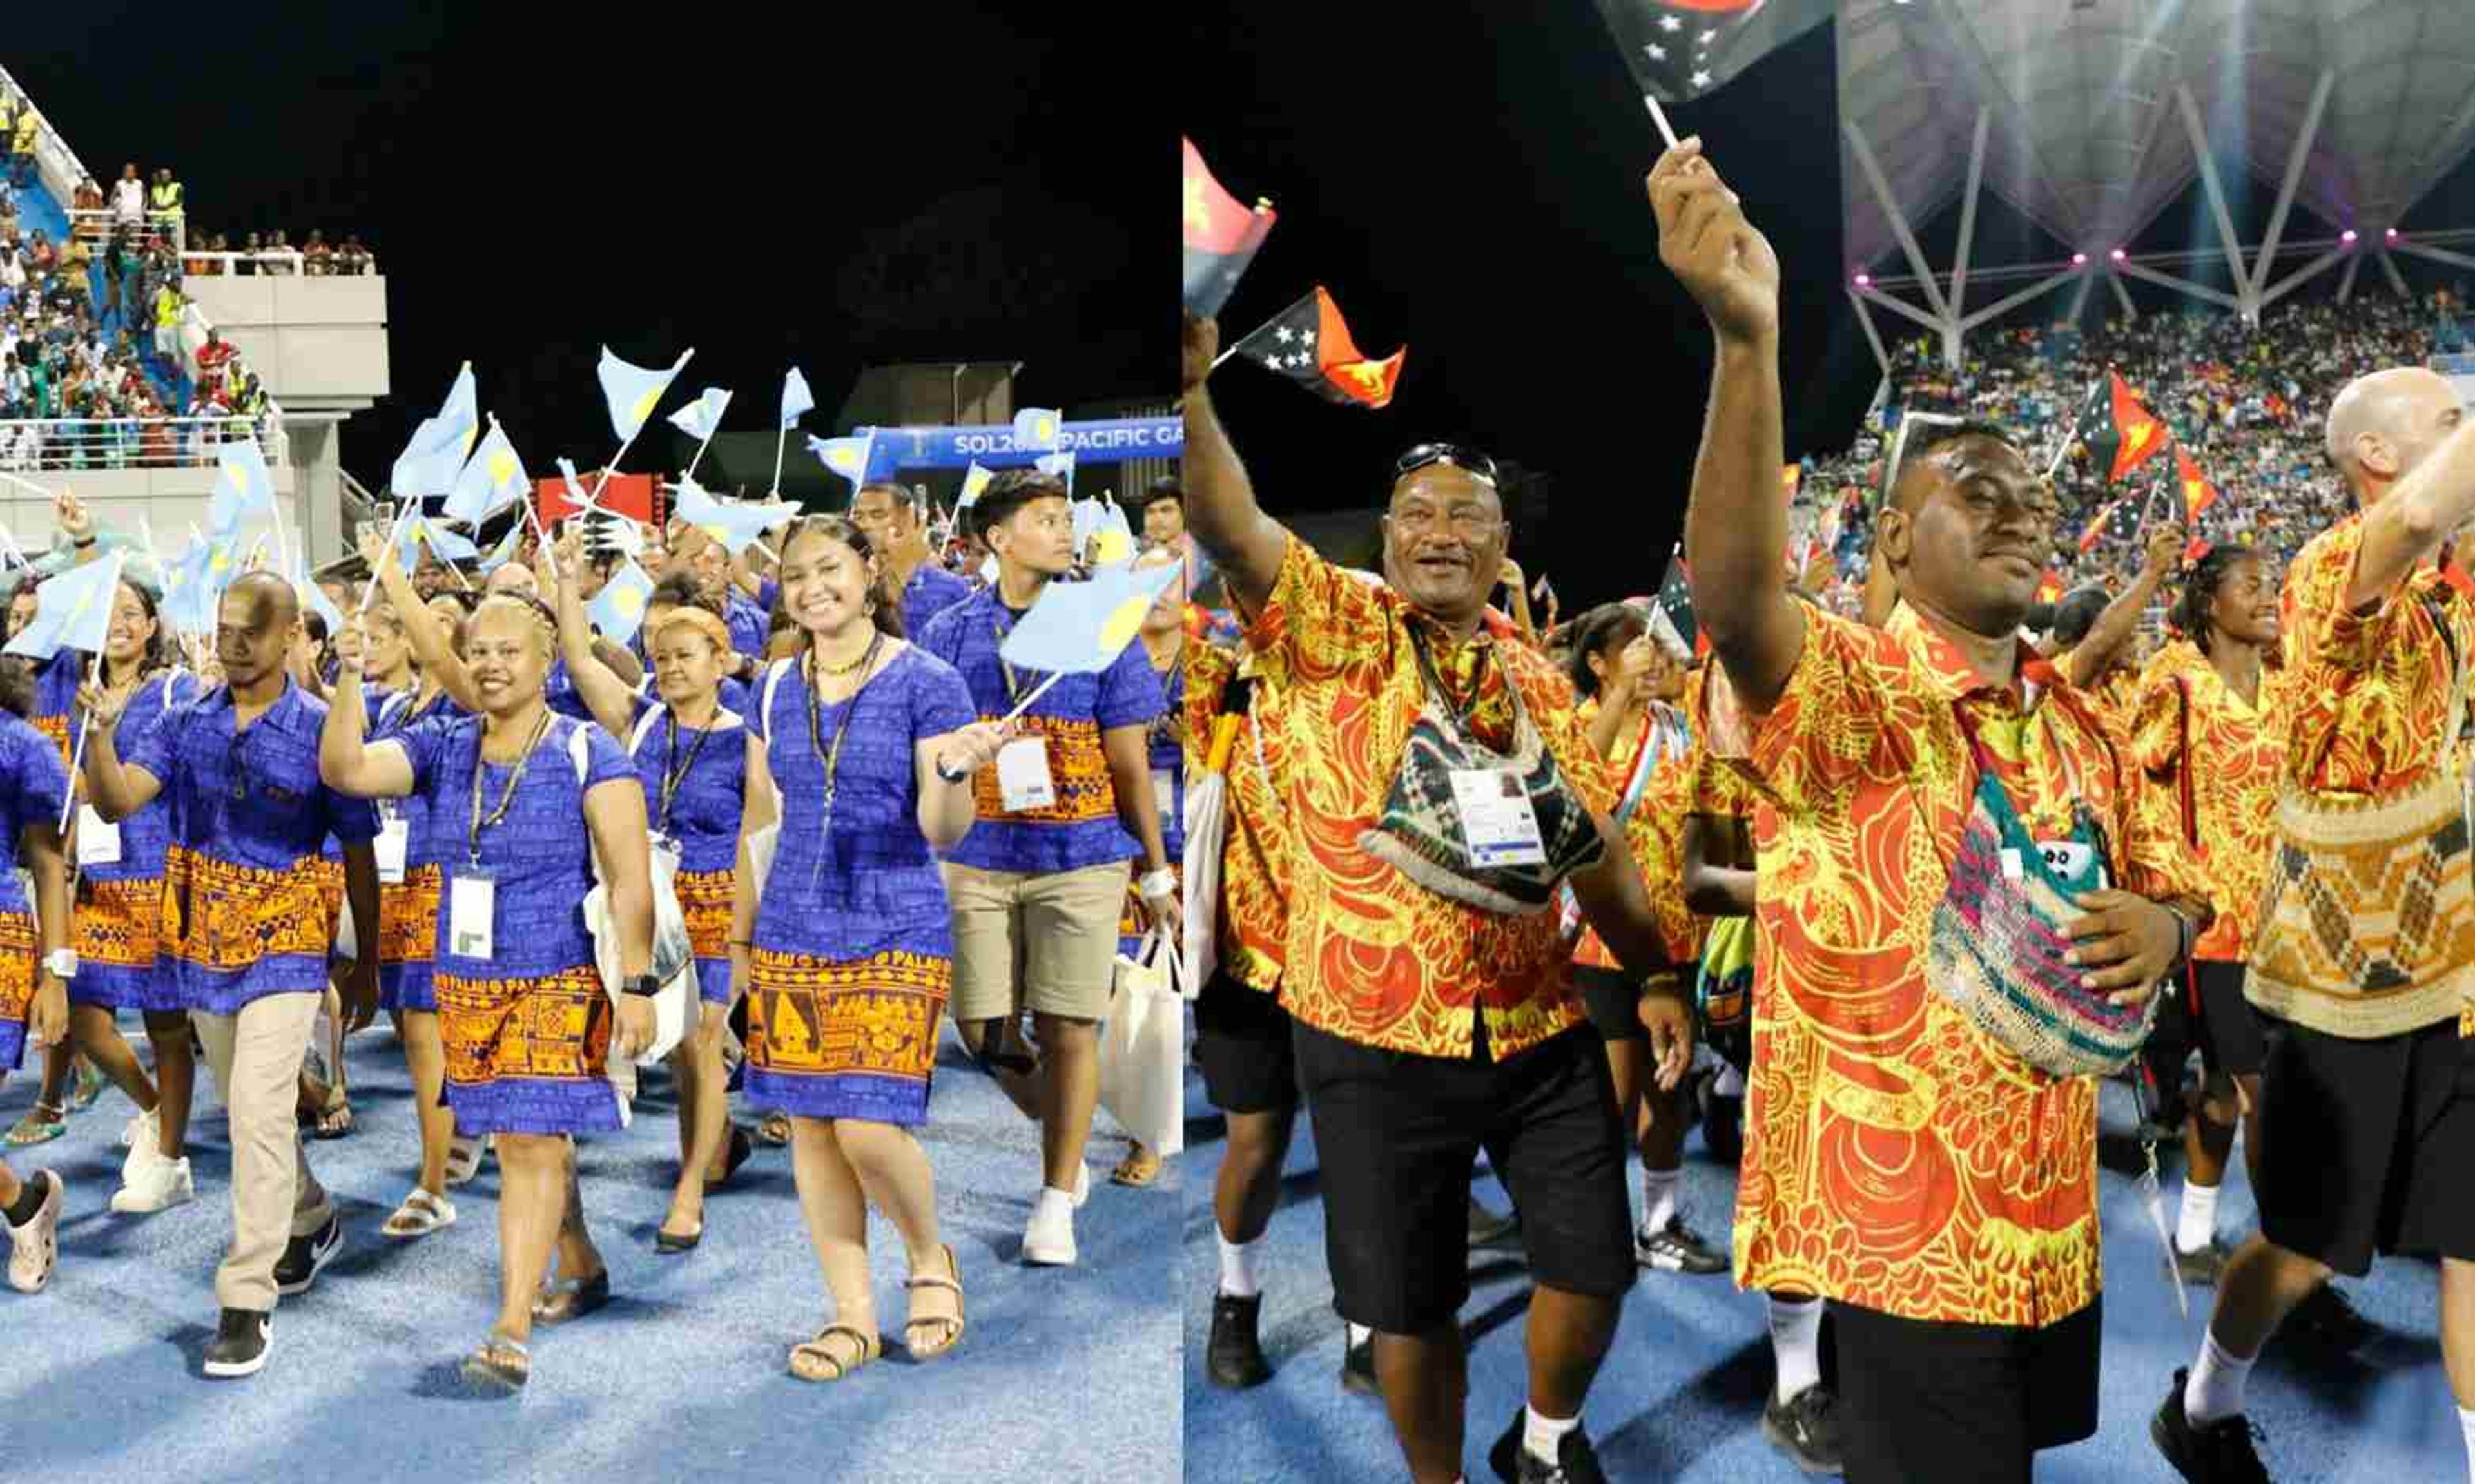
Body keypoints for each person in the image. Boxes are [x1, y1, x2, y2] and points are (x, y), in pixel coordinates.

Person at [1651, 137, 2210, 1482]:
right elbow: (1737, 597)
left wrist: (2171, 927)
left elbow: (2175, 880)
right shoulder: (1856, 691)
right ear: (1895, 543)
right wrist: (1747, 341)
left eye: (2033, 497)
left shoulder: (2076, 720)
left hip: (2051, 1214)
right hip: (1903, 1222)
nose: (2021, 513)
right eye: (1977, 494)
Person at [1183, 311, 1692, 1484]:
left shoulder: (1536, 677)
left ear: (1503, 540)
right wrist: (1195, 400)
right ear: (1387, 533)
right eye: (1418, 513)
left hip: (1539, 1024)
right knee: (1409, 1309)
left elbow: (1595, 847)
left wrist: (1657, 968)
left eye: (1468, 515)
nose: (1441, 532)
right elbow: (1232, 524)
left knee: (1595, 1266)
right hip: (1370, 1034)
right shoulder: (1332, 626)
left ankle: (1547, 1441)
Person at [2152, 366, 2475, 1482]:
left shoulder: (2452, 593)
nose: (2466, 427)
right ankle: (2203, 1402)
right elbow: (2421, 514)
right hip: (2348, 973)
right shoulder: (2330, 567)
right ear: (2378, 456)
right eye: (2453, 418)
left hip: (2456, 966)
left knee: (2474, 1237)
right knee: (2304, 1241)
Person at [317, 582, 658, 1392]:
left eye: (510, 650)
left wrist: (639, 981)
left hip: (559, 970)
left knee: (530, 1141)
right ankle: (579, 1258)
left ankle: (510, 1324)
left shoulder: (587, 748)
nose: (491, 663)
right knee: (523, 1132)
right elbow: (347, 767)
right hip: (467, 979)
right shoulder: (442, 744)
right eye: (479, 651)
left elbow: (629, 877)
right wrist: (348, 679)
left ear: (547, 660)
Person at [81, 571, 384, 1379]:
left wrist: (368, 960)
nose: (235, 643)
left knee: (255, 1105)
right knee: (256, 1113)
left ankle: (246, 1296)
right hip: (203, 945)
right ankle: (311, 1214)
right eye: (225, 628)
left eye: (253, 629)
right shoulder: (185, 720)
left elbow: (359, 849)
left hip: (290, 941)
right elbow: (116, 802)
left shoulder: (322, 728)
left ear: (290, 636)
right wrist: (102, 737)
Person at [728, 514, 1004, 1380]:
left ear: (869, 570)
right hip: (791, 929)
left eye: (830, 568)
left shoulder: (929, 681)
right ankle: (851, 1313)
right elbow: (760, 821)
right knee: (813, 1126)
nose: (813, 587)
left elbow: (942, 830)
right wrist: (739, 939)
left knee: (866, 1124)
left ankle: (928, 1256)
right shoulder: (774, 685)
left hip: (895, 922)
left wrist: (955, 773)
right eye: (796, 574)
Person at [914, 468, 1177, 1267]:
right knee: (983, 1029)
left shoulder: (1103, 627)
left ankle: (1056, 1194)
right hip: (977, 854)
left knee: (1068, 1026)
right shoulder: (948, 633)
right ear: (997, 538)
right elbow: (930, 752)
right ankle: (1066, 1120)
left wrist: (1157, 872)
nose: (1065, 531)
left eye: (1067, 518)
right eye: (1046, 518)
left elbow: (1128, 762)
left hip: (1082, 853)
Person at [545, 536, 753, 1248]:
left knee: (700, 1045)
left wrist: (746, 939)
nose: (669, 668)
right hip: (646, 903)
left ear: (720, 661)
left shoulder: (746, 740)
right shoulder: (639, 718)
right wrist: (567, 582)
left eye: (685, 656)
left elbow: (761, 845)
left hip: (716, 905)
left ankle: (688, 1192)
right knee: (667, 1046)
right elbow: (580, 658)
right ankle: (719, 1141)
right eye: (661, 657)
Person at [2128, 543, 2285, 1289]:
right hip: (2215, 928)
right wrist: (2172, 890)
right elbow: (2133, 784)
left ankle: (2194, 1236)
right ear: (2211, 601)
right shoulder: (2177, 684)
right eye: (2252, 585)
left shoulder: (2286, 688)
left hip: (2285, 928)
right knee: (2261, 1093)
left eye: (2271, 584)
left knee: (2224, 1090)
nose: (2269, 596)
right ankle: (2282, 1257)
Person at [55, 512, 202, 1213]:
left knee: (167, 1023)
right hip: (98, 879)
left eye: (130, 613)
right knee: (84, 1015)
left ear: (150, 627)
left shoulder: (174, 690)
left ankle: (170, 1161)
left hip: (157, 870)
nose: (117, 623)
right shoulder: (80, 692)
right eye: (107, 612)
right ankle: (153, 1109)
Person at [1107, 544, 1187, 1190]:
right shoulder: (1104, 661)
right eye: (1145, 582)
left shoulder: (1216, 663)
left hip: (1204, 842)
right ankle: (1144, 1130)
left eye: (1170, 581)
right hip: (1127, 847)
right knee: (1136, 991)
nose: (1158, 592)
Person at [0, 648, 72, 1295]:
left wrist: (55, 974)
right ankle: (23, 1204)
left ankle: (25, 1209)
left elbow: (49, 866)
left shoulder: (24, 746)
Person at [851, 481, 972, 639]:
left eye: (877, 515)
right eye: (858, 516)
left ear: (906, 521)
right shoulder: (846, 583)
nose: (864, 525)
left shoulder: (950, 588)